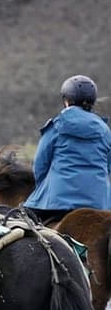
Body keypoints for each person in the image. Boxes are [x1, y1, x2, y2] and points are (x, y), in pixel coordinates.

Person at [23, 75, 111, 225]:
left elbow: (40, 165)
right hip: (99, 202)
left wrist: (42, 189)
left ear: (66, 100)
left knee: (23, 223)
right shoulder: (105, 131)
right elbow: (107, 166)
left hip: (57, 201)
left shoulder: (56, 126)